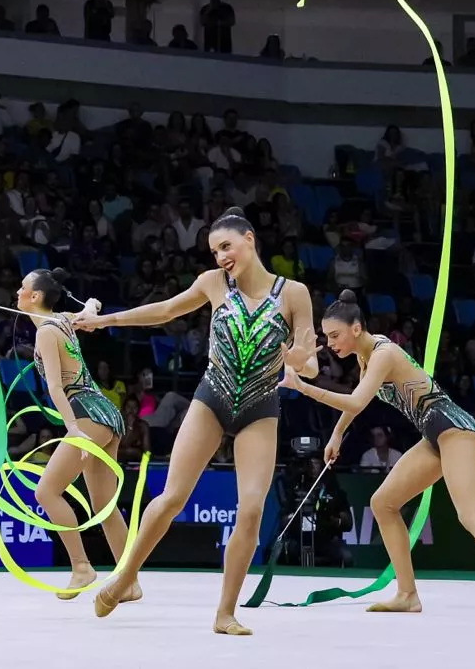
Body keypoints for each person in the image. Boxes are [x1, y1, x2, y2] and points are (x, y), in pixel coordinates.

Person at [73, 206, 317, 634]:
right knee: (171, 499)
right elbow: (165, 311)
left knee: (253, 508)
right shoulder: (213, 283)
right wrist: (105, 320)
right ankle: (126, 576)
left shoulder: (293, 293)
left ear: (249, 240)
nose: (221, 256)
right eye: (213, 250)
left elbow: (310, 363)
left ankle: (225, 613)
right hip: (212, 398)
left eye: (226, 246)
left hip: (260, 408)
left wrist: (299, 360)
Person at [284, 291, 475, 619]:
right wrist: (337, 432)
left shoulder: (384, 353)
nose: (329, 343)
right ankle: (406, 594)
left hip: (454, 427)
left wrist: (302, 387)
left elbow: (356, 402)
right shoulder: (366, 356)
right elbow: (360, 400)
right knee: (383, 503)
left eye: (334, 335)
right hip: (433, 434)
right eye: (327, 336)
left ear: (355, 329)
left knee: (469, 514)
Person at [23, 268, 139, 601]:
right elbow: (87, 313)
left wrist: (72, 428)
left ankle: (81, 567)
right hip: (107, 413)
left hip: (85, 414)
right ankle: (128, 581)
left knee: (46, 492)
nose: (17, 293)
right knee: (103, 504)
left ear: (34, 296)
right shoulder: (61, 320)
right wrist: (90, 305)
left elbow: (56, 387)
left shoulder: (47, 330)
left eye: (22, 288)